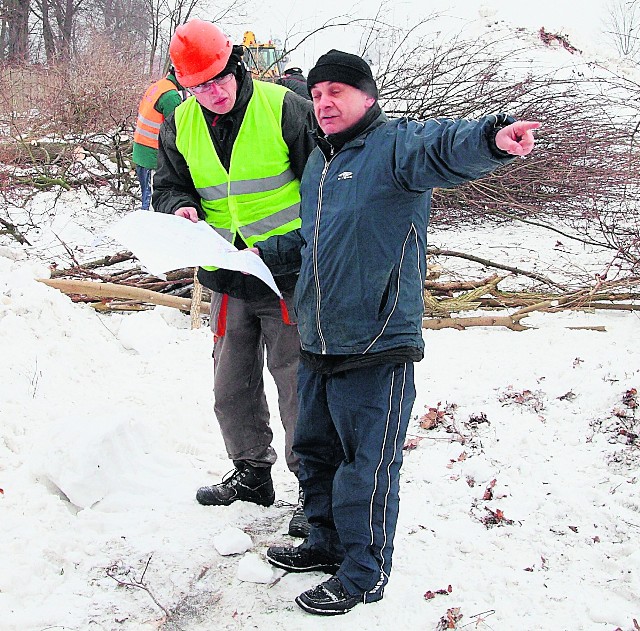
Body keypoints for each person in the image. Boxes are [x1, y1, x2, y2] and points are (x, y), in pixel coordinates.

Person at [255, 50, 539, 615]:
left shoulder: (394, 149)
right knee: (315, 451)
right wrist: (250, 254)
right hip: (318, 337)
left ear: (368, 97)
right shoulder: (319, 162)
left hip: (377, 341)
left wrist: (491, 139)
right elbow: (315, 243)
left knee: (368, 465)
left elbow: (442, 145)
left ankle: (364, 573)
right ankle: (325, 540)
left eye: (337, 90)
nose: (324, 102)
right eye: (315, 94)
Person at [152, 19, 316, 538]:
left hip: (285, 273)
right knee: (231, 384)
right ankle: (251, 472)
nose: (213, 92)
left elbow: (325, 186)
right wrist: (179, 208)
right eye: (199, 86)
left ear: (235, 65)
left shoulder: (284, 107)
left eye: (219, 79)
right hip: (225, 271)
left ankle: (314, 489)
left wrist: (300, 249)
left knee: (297, 384)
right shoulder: (179, 123)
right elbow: (169, 185)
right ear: (184, 86)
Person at [132, 68, 182, 210]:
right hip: (153, 156)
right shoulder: (171, 96)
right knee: (154, 205)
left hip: (142, 151)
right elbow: (177, 131)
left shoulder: (159, 86)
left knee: (147, 198)